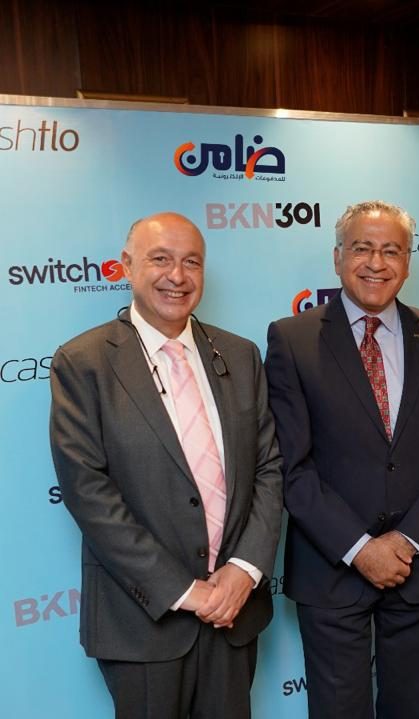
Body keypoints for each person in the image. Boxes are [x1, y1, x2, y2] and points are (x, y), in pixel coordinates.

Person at [49, 211, 283, 719]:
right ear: (126, 266)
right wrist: (183, 590)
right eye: (160, 259)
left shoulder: (240, 355)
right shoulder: (84, 362)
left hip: (234, 614)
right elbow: (87, 491)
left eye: (191, 262)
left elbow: (268, 467)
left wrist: (244, 570)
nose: (177, 276)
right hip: (142, 623)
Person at [264, 200, 419, 719]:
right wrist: (360, 549)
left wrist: (405, 542)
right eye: (362, 248)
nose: (376, 263)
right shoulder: (291, 339)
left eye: (391, 251)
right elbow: (292, 466)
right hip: (332, 570)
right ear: (337, 257)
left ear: (407, 262)